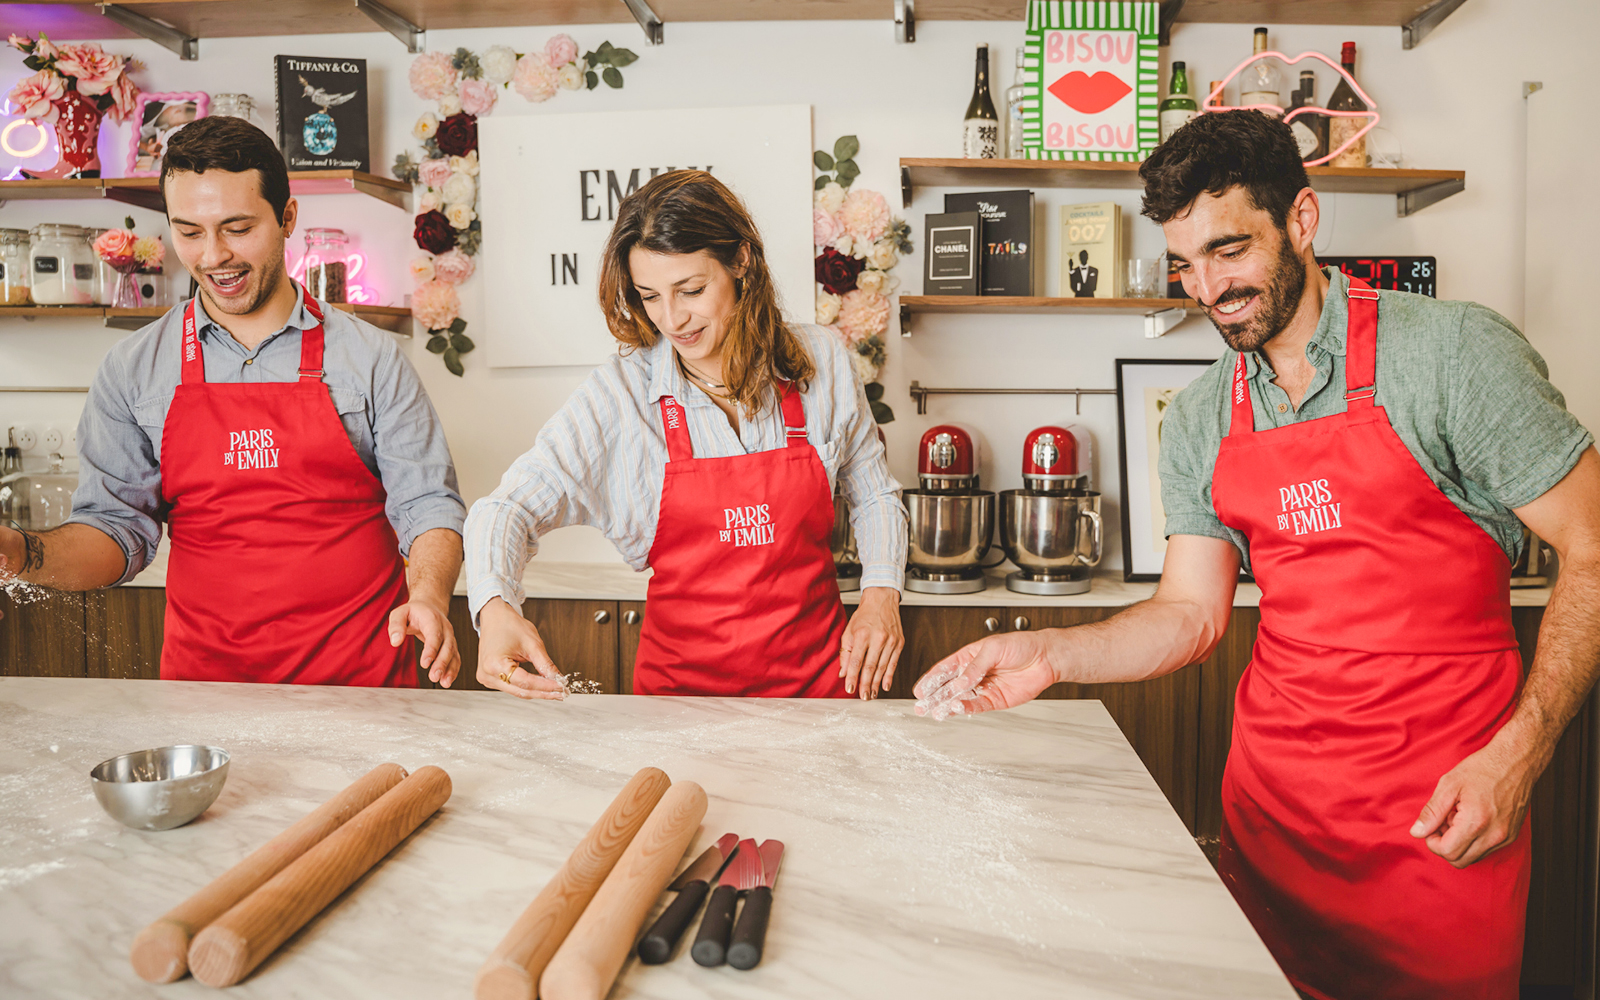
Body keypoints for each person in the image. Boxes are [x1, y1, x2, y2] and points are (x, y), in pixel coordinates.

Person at [913, 110, 1600, 1000]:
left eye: (1230, 251)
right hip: (1275, 822)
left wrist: (1521, 754)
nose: (1207, 289)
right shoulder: (1202, 415)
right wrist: (1050, 651)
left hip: (1443, 817)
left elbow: (1592, 540)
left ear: (1303, 221)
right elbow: (1190, 615)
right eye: (1186, 264)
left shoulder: (1452, 355)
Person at [0, 116, 467, 687]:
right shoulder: (133, 371)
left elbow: (429, 506)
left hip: (363, 685)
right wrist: (21, 553)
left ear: (287, 218)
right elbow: (116, 531)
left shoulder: (370, 360)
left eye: (237, 228)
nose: (214, 256)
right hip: (207, 692)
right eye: (189, 232)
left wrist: (428, 596)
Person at [466, 170, 906, 701]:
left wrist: (882, 593)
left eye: (691, 290)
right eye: (650, 296)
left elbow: (873, 489)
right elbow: (506, 508)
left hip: (816, 692)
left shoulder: (822, 360)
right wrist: (494, 607)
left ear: (741, 261)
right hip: (679, 711)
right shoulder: (622, 395)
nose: (672, 320)